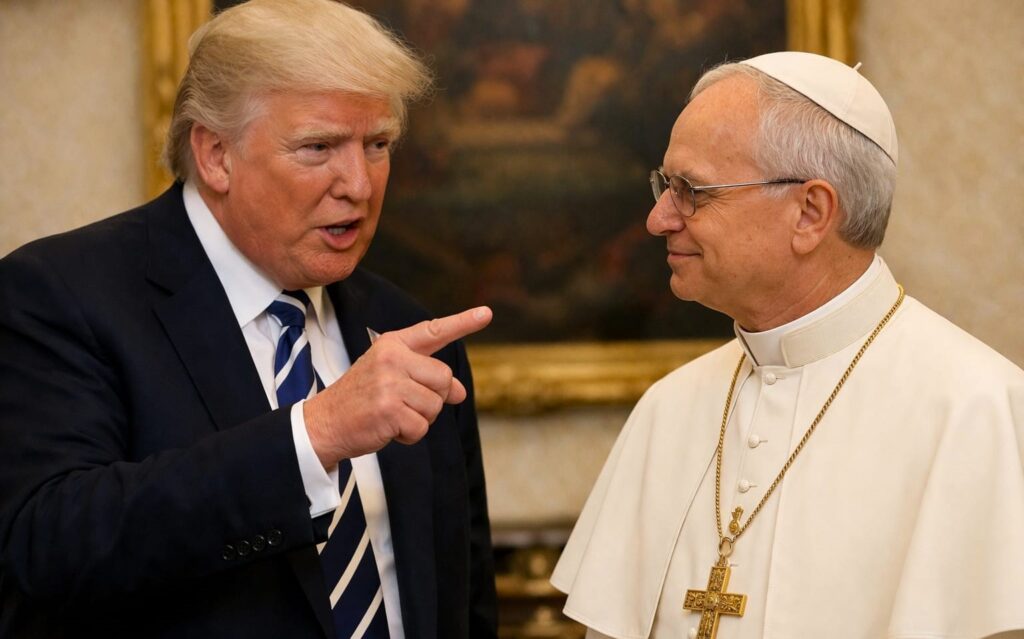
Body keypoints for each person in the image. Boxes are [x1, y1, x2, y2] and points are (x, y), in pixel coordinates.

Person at [0, 1, 498, 637]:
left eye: (377, 145)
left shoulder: (409, 328)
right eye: (318, 147)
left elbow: (463, 596)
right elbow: (47, 546)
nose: (359, 184)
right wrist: (315, 435)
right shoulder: (61, 295)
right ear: (216, 155)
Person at [551, 51, 1024, 639]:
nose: (658, 219)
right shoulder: (666, 408)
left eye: (691, 190)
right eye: (664, 185)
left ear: (810, 213)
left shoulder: (977, 411)